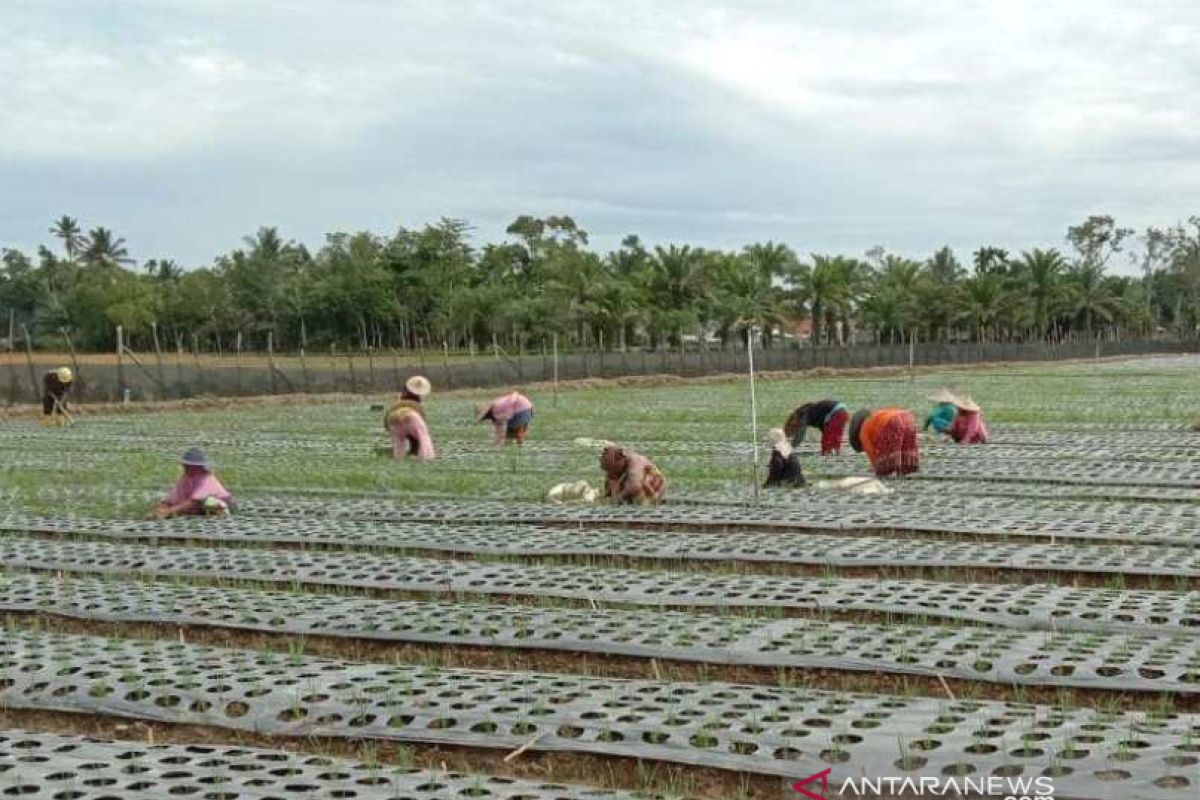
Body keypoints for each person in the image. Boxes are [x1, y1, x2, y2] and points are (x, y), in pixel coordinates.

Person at [151, 447, 233, 518]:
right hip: (200, 507)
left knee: (208, 502)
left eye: (189, 466)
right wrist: (162, 507)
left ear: (199, 467)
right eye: (185, 465)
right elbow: (171, 499)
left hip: (223, 505)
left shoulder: (207, 479)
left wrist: (168, 511)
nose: (186, 468)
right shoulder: (184, 479)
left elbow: (194, 502)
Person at [849, 407, 920, 477]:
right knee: (908, 447)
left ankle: (892, 472)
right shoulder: (875, 418)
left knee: (889, 451)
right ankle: (908, 469)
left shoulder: (863, 431)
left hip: (893, 421)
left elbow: (871, 451)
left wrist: (877, 468)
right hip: (908, 417)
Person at [385, 376, 436, 460]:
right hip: (411, 416)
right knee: (423, 436)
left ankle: (398, 458)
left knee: (398, 442)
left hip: (394, 416)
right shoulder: (417, 401)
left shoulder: (401, 397)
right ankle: (427, 456)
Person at [600, 444, 667, 504]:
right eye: (608, 470)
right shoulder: (615, 468)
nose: (611, 472)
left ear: (621, 459)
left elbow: (635, 486)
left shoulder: (636, 463)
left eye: (613, 468)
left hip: (654, 493)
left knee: (637, 487)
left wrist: (618, 498)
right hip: (634, 489)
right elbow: (609, 482)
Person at [783, 399, 849, 454]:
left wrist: (789, 448)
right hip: (844, 412)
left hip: (837, 413)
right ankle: (836, 451)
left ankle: (828, 452)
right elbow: (824, 428)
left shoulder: (804, 416)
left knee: (827, 440)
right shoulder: (814, 412)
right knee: (835, 436)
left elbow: (800, 435)